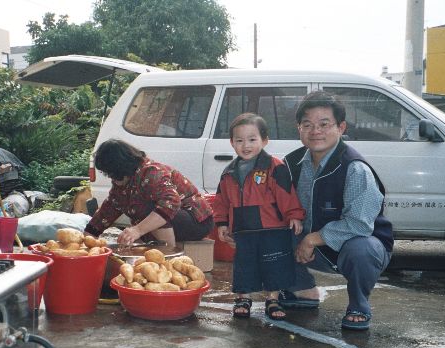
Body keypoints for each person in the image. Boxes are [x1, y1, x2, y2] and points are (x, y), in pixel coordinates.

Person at [281, 91, 394, 331]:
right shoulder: (290, 164)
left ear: (341, 127)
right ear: (299, 128)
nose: (315, 131)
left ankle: (359, 305)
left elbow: (360, 224)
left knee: (362, 248)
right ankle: (303, 290)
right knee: (267, 232)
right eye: (307, 125)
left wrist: (311, 239)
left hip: (355, 248)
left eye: (324, 124)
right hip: (312, 249)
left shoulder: (355, 168)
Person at [212, 113, 304, 321]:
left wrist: (294, 215)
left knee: (275, 264)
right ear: (232, 143)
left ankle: (273, 299)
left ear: (265, 140)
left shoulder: (275, 167)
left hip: (273, 229)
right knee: (244, 265)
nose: (246, 145)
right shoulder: (228, 172)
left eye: (252, 139)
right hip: (243, 228)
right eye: (239, 140)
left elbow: (286, 194)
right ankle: (243, 298)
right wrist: (222, 223)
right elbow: (221, 200)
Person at [84, 139, 214, 246]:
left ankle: (168, 253)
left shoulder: (152, 172)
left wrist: (138, 230)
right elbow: (109, 208)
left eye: (111, 173)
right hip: (173, 222)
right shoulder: (121, 184)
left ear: (122, 167)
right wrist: (88, 236)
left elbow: (171, 202)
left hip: (197, 221)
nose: (111, 178)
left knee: (148, 208)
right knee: (141, 214)